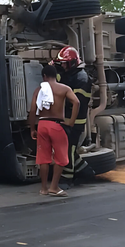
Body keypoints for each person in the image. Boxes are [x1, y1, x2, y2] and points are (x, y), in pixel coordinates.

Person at [27, 64, 80, 197]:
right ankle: (54, 187)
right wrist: (71, 121)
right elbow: (76, 102)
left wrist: (32, 128)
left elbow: (33, 110)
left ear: (44, 76)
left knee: (43, 158)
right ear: (56, 75)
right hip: (56, 125)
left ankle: (43, 188)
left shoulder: (38, 90)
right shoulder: (64, 88)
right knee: (61, 157)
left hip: (42, 124)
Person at [52, 46, 95, 185]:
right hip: (67, 119)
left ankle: (67, 178)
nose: (63, 65)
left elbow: (75, 103)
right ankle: (87, 173)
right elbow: (60, 80)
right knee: (71, 150)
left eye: (65, 63)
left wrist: (69, 121)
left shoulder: (81, 79)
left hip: (75, 121)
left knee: (68, 149)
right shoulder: (71, 74)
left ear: (72, 63)